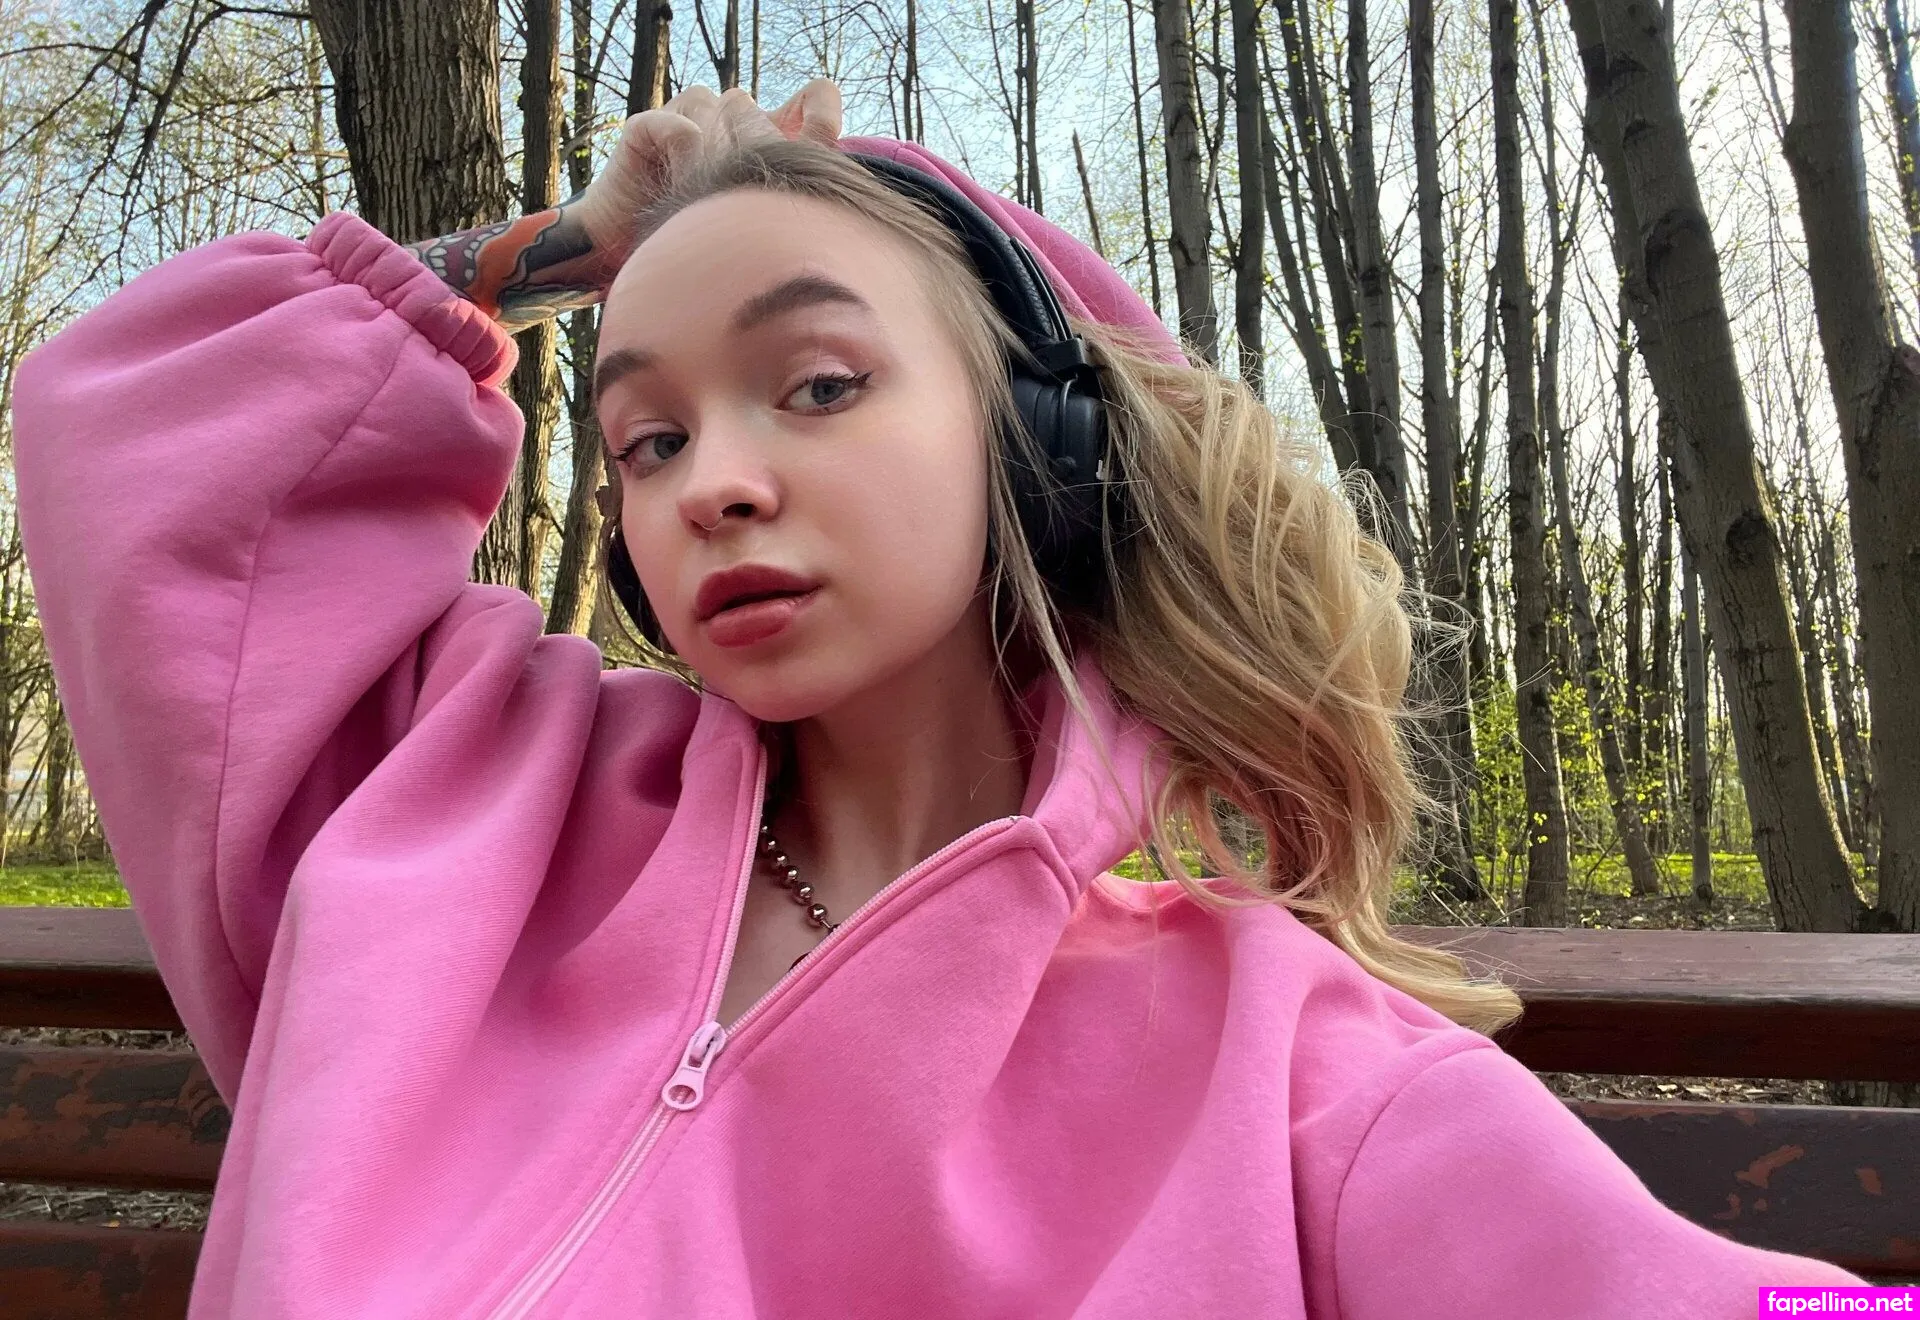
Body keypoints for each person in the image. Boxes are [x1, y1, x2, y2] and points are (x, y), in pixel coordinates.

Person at [10, 80, 1865, 1319]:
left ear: (1042, 441)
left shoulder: (1275, 1059)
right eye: (647, 437)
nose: (711, 483)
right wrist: (558, 252)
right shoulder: (464, 806)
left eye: (816, 385)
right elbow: (144, 434)